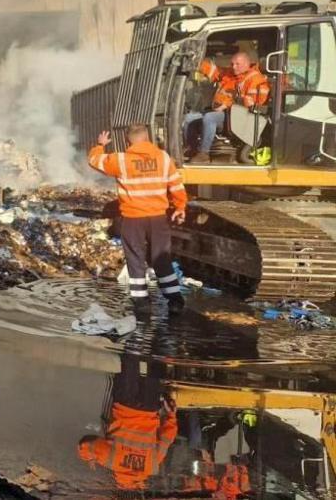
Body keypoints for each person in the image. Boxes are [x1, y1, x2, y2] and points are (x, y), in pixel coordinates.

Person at [89, 124, 187, 312]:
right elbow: (176, 186)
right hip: (158, 217)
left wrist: (100, 145)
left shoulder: (122, 160)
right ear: (148, 139)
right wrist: (180, 207)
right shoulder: (164, 158)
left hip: (133, 218)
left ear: (128, 141)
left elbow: (94, 160)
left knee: (135, 259)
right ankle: (175, 301)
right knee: (161, 258)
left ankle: (141, 303)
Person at [78, 354, 178, 491]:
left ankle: (161, 340)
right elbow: (85, 444)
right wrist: (89, 457)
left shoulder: (152, 466)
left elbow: (167, 438)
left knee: (157, 362)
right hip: (125, 405)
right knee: (131, 356)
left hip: (149, 408)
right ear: (117, 485)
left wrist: (171, 415)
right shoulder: (110, 461)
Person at [183, 52, 271, 163]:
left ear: (247, 64)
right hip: (221, 112)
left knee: (210, 118)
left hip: (238, 118)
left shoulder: (256, 80)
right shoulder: (230, 74)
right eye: (232, 64)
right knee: (189, 118)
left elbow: (253, 104)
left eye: (237, 64)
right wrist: (195, 61)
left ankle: (203, 153)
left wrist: (227, 105)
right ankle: (193, 150)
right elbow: (213, 71)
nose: (233, 67)